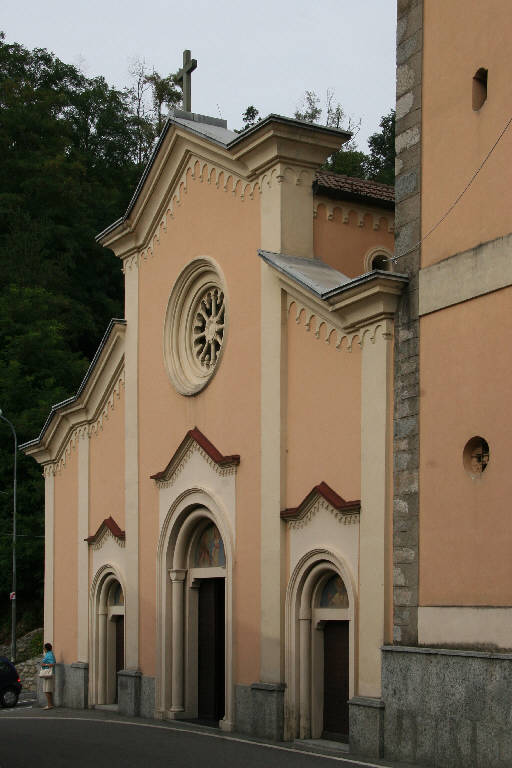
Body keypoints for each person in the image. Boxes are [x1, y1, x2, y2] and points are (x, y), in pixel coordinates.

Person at [41, 642, 56, 710]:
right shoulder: (49, 654)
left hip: (48, 673)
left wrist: (45, 665)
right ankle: (50, 704)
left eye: (44, 647)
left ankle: (49, 705)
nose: (43, 649)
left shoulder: (49, 655)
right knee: (48, 689)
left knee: (47, 690)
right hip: (48, 674)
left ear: (46, 648)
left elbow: (52, 663)